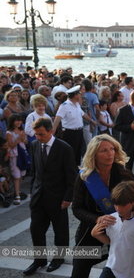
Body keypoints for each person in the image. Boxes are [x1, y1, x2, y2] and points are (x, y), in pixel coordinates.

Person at [71, 134, 134, 278]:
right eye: (104, 150)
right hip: (92, 231)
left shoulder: (124, 173)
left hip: (120, 231)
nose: (110, 153)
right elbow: (77, 208)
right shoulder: (85, 176)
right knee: (79, 269)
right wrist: (97, 219)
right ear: (94, 154)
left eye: (112, 149)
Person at [23, 118, 76, 276]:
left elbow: (71, 176)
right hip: (39, 197)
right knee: (36, 230)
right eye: (36, 134)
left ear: (50, 131)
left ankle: (58, 259)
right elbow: (35, 171)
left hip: (58, 198)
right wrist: (33, 191)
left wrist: (68, 198)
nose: (38, 137)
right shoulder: (34, 145)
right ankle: (39, 260)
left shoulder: (64, 148)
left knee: (60, 231)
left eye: (41, 134)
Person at [91, 181, 134, 278]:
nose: (118, 208)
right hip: (111, 268)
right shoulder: (111, 219)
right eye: (115, 204)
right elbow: (111, 241)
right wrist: (96, 234)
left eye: (123, 205)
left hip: (132, 272)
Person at [53, 85, 96, 166]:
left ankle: (76, 169)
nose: (81, 95)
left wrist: (92, 121)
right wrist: (52, 132)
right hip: (69, 133)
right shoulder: (64, 106)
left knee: (78, 152)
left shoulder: (76, 104)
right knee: (70, 153)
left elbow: (83, 114)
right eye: (79, 93)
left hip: (79, 131)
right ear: (75, 95)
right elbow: (57, 120)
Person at [6, 114, 28, 205]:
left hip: (22, 154)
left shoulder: (22, 130)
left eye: (20, 120)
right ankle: (17, 195)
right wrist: (19, 138)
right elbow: (11, 145)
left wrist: (23, 138)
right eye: (16, 120)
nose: (19, 122)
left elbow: (26, 142)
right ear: (12, 122)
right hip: (14, 155)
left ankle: (17, 191)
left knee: (22, 174)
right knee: (16, 176)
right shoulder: (9, 133)